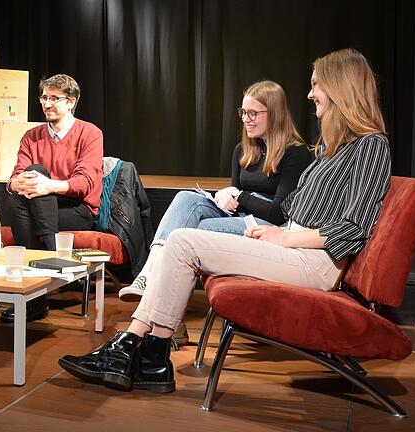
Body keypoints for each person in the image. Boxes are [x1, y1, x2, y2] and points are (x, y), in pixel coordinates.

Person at [59, 48, 391, 394]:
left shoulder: (370, 146)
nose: (309, 94)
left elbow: (354, 230)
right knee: (184, 234)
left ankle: (137, 353)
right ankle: (145, 355)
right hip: (296, 246)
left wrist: (285, 236)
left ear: (340, 88)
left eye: (316, 84)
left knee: (184, 241)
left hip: (315, 261)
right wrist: (265, 220)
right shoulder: (333, 148)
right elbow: (299, 207)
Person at [118, 80, 312, 309]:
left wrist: (239, 196)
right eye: (243, 112)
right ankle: (149, 273)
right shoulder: (243, 150)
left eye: (253, 113)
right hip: (240, 215)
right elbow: (235, 192)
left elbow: (278, 213)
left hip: (267, 225)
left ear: (275, 114)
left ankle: (159, 293)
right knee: (186, 198)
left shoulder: (295, 154)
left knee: (192, 233)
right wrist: (226, 196)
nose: (245, 119)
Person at [1, 74, 104, 323]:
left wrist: (49, 186)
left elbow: (84, 184)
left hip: (76, 208)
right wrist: (13, 184)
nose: (47, 103)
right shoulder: (31, 136)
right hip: (42, 207)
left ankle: (35, 301)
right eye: (44, 98)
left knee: (36, 179)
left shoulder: (89, 133)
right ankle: (54, 256)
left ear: (71, 102)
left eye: (54, 98)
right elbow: (19, 175)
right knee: (19, 193)